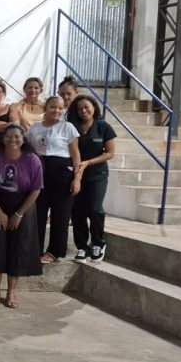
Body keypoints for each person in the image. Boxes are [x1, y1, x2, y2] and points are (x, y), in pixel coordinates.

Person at [0, 124, 43, 308]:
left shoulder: (32, 160)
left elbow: (36, 189)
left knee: (18, 249)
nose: (13, 139)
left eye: (17, 136)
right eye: (9, 136)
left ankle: (11, 292)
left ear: (23, 140)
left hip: (24, 207)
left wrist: (19, 214)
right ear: (3, 139)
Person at [29, 96, 82, 264]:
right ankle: (34, 250)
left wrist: (77, 178)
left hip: (62, 173)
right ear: (46, 107)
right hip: (40, 171)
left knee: (60, 214)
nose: (57, 111)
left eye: (60, 108)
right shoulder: (35, 127)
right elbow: (30, 151)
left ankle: (55, 252)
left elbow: (75, 155)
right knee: (38, 212)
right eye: (53, 107)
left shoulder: (67, 127)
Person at [68, 94, 116, 263]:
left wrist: (89, 162)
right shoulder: (72, 127)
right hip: (76, 174)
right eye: (79, 108)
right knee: (77, 211)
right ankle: (82, 247)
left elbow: (110, 153)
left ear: (94, 108)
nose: (83, 111)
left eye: (86, 107)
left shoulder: (103, 127)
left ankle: (98, 243)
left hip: (97, 175)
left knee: (95, 209)